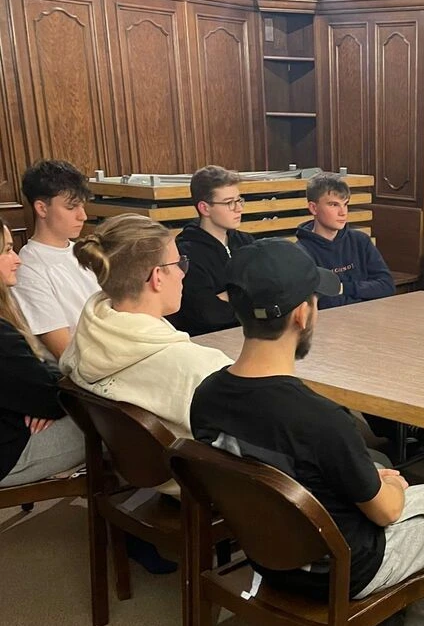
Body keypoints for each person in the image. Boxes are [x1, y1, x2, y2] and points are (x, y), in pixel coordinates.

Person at [191, 239, 424, 626]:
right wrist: (392, 488)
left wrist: (376, 477)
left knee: (376, 467)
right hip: (343, 569)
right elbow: (386, 512)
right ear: (302, 315)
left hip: (266, 554)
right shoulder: (322, 419)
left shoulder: (205, 396)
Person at [60, 214, 231, 439]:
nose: (182, 273)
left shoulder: (86, 336)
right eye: (179, 263)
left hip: (126, 457)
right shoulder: (199, 369)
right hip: (185, 462)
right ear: (157, 277)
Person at [0, 223, 84, 487]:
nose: (17, 260)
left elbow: (41, 379)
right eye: (7, 250)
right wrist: (47, 400)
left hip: (14, 424)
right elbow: (53, 395)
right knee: (120, 427)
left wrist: (45, 396)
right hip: (9, 452)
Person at [12, 160, 98, 359]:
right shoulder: (28, 269)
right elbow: (65, 352)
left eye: (82, 206)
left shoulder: (83, 252)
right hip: (81, 368)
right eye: (71, 207)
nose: (83, 216)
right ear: (42, 209)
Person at [167, 165, 255, 336]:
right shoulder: (186, 252)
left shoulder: (247, 242)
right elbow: (209, 314)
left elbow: (269, 292)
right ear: (205, 208)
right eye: (229, 203)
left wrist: (227, 295)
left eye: (239, 200)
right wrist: (246, 296)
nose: (239, 208)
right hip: (208, 339)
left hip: (250, 334)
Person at [295, 173, 394, 308]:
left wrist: (344, 288)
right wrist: (365, 292)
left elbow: (387, 286)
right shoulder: (301, 252)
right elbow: (323, 303)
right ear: (313, 208)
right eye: (334, 205)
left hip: (367, 316)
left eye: (345, 204)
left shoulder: (361, 241)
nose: (343, 212)